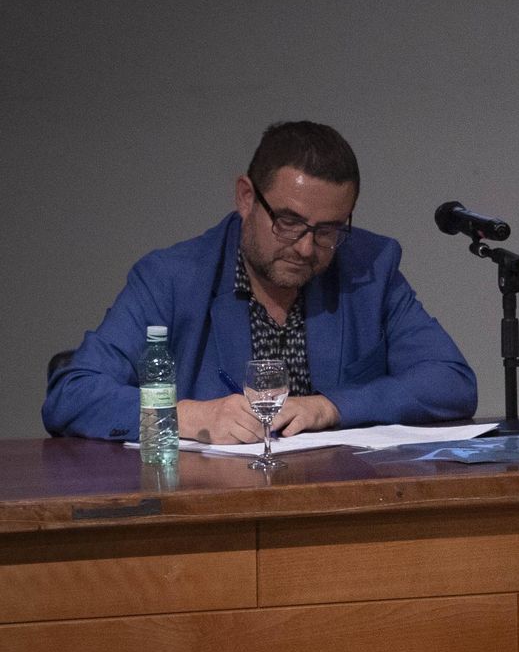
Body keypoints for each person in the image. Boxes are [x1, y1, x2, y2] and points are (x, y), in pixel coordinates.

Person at [43, 121, 477, 441]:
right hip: (210, 512)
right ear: (247, 199)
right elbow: (73, 394)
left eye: (328, 230)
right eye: (289, 223)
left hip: (335, 505)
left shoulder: (369, 268)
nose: (307, 248)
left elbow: (449, 381)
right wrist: (189, 417)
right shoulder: (172, 278)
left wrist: (330, 407)